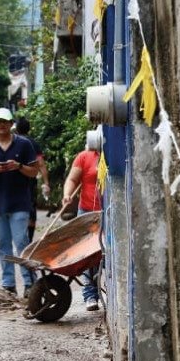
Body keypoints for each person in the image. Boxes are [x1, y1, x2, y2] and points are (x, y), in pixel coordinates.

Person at [0, 107, 40, 296]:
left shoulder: (24, 145)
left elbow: (34, 172)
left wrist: (19, 166)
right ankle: (8, 284)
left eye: (5, 122)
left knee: (22, 243)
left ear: (11, 124)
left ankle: (29, 283)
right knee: (2, 245)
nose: (2, 125)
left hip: (20, 203)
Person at [63, 129, 104, 311]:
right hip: (87, 212)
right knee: (87, 255)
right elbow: (72, 179)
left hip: (107, 213)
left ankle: (105, 291)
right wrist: (67, 195)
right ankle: (90, 295)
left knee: (103, 253)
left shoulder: (112, 157)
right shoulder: (84, 157)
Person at [15, 116, 51, 241]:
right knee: (31, 210)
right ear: (29, 129)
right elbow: (41, 164)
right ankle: (29, 240)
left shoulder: (13, 142)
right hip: (30, 182)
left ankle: (19, 237)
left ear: (16, 129)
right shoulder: (33, 143)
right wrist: (46, 183)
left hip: (14, 183)